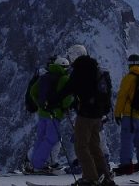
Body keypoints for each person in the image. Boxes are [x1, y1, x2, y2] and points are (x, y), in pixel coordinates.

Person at [57, 44, 115, 186]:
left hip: (85, 115)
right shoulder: (97, 69)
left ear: (74, 56)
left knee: (81, 145)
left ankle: (90, 177)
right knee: (95, 146)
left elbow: (69, 88)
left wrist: (54, 100)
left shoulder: (80, 69)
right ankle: (104, 176)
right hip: (98, 115)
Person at [26, 55, 74, 174]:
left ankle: (33, 163)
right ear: (64, 67)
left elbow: (33, 91)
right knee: (51, 139)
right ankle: (38, 165)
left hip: (42, 113)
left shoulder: (45, 76)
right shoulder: (64, 78)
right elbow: (67, 97)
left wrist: (40, 105)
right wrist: (65, 107)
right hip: (54, 113)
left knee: (41, 138)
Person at [114, 53, 139, 175]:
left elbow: (122, 96)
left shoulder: (129, 78)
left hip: (129, 115)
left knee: (127, 140)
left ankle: (126, 165)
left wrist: (117, 113)